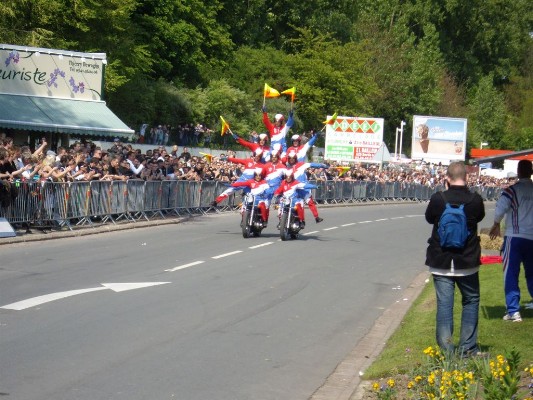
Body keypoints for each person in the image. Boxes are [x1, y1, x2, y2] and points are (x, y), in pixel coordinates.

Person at [424, 161, 485, 356]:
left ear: (447, 178)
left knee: (444, 305)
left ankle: (447, 350)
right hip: (466, 260)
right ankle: (467, 347)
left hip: (441, 260)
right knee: (471, 300)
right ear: (466, 177)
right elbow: (479, 218)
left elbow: (429, 218)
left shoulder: (438, 199)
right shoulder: (475, 200)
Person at [489, 159, 533, 322]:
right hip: (532, 237)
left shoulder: (512, 191)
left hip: (514, 236)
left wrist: (495, 224)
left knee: (511, 273)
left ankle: (513, 310)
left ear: (519, 172)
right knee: (532, 273)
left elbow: (500, 208)